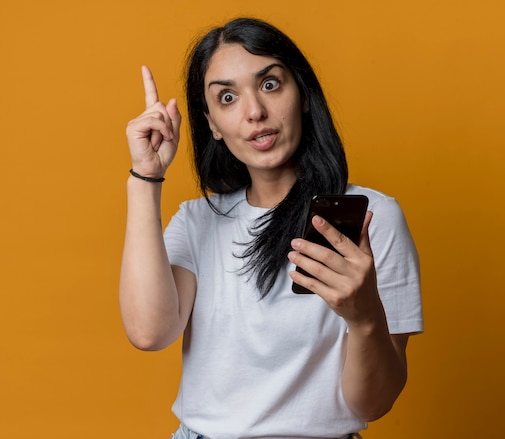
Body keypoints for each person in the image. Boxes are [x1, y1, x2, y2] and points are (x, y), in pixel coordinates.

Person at [120, 17, 422, 439]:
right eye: (227, 97)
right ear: (211, 124)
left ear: (301, 94)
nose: (254, 112)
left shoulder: (373, 218)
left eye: (269, 84)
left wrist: (365, 317)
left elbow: (372, 403)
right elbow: (149, 332)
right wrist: (145, 177)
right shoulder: (197, 221)